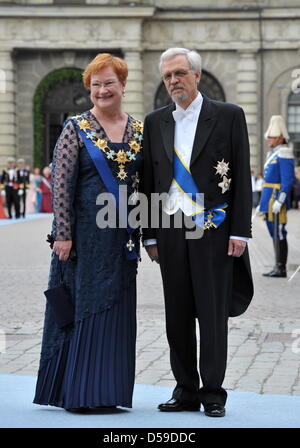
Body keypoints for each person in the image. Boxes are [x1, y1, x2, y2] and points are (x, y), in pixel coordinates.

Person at [141, 48, 253, 418]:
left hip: (214, 231)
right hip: (171, 230)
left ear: (196, 76)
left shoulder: (229, 116)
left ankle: (213, 394)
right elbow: (148, 183)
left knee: (212, 314)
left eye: (179, 73)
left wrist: (241, 231)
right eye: (167, 76)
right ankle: (185, 390)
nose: (173, 81)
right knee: (177, 315)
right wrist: (151, 234)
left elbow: (242, 176)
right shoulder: (154, 121)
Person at [33, 53, 143, 412]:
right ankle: (79, 393)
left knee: (116, 307)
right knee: (86, 307)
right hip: (82, 239)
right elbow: (61, 184)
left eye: (109, 82)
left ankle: (109, 391)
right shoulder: (75, 128)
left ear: (122, 85)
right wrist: (62, 233)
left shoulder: (139, 131)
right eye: (95, 84)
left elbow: (145, 184)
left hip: (122, 237)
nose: (102, 90)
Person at [259, 115, 295, 278]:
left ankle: (281, 267)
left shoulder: (284, 153)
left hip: (276, 199)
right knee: (273, 232)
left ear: (280, 138)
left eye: (271, 137)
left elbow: (287, 180)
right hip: (268, 198)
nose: (268, 140)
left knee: (279, 232)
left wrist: (280, 200)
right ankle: (277, 265)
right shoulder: (272, 154)